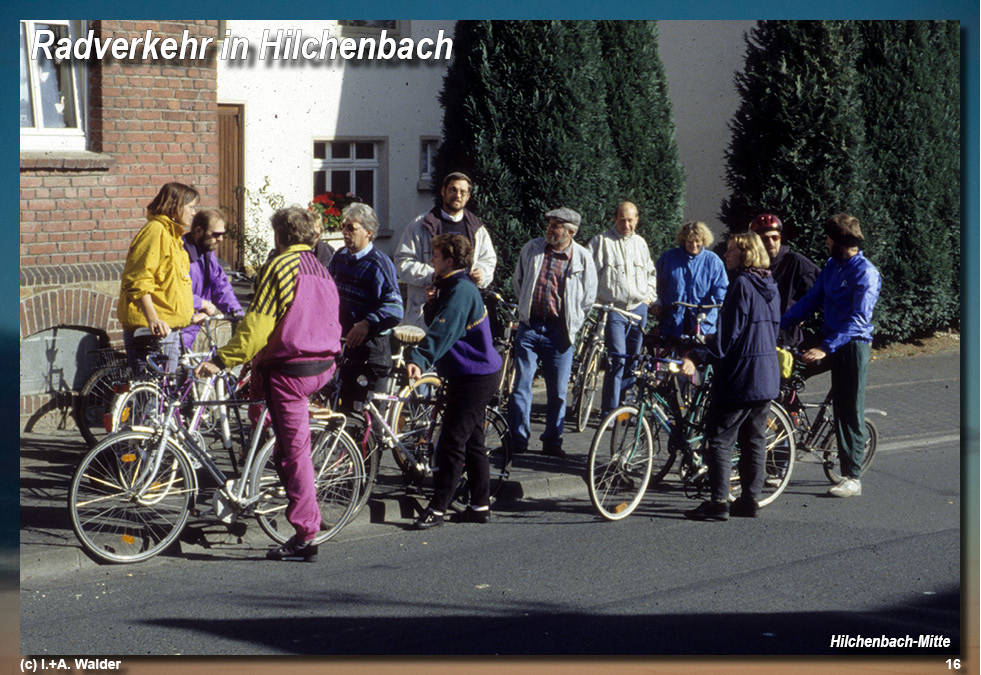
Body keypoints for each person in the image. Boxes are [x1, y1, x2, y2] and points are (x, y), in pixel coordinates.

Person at [195, 206, 342, 562]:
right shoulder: (321, 269)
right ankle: (265, 472)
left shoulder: (279, 266)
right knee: (266, 419)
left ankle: (307, 534)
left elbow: (257, 326)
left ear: (280, 236)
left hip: (292, 370)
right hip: (322, 364)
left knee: (294, 454)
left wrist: (219, 360)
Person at [681, 231, 781, 521]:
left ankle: (719, 503)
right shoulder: (770, 285)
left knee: (721, 439)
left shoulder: (741, 285)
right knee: (754, 440)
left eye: (731, 251)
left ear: (746, 254)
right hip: (766, 376)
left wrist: (696, 357)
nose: (726, 255)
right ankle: (750, 501)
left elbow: (727, 337)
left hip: (741, 377)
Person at [781, 213, 881, 498]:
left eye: (828, 238)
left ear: (841, 241)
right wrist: (779, 324)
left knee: (848, 407)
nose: (825, 241)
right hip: (828, 336)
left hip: (852, 344)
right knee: (786, 372)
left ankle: (852, 477)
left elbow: (859, 320)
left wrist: (824, 349)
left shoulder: (865, 273)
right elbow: (811, 300)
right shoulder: (831, 266)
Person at [406, 234, 502, 529]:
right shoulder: (452, 285)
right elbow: (444, 323)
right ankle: (479, 506)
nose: (431, 259)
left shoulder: (460, 290)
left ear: (449, 261)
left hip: (474, 376)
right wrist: (433, 304)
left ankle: (437, 509)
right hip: (470, 373)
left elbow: (442, 333)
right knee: (473, 441)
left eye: (435, 255)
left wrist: (419, 359)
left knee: (450, 443)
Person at [510, 207, 597, 458]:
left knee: (558, 392)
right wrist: (526, 311)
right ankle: (518, 440)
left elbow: (588, 297)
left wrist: (573, 324)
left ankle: (552, 441)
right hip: (530, 327)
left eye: (556, 225)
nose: (550, 229)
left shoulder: (582, 257)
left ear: (570, 231)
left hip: (560, 332)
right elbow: (519, 281)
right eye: (549, 224)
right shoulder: (532, 249)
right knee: (520, 387)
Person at [394, 172, 497, 328]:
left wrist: (481, 273)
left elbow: (488, 260)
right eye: (453, 190)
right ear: (443, 191)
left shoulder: (476, 228)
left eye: (463, 192)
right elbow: (402, 263)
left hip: (463, 310)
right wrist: (434, 275)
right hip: (427, 311)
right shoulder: (420, 225)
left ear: (468, 196)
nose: (457, 195)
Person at [327, 202, 404, 410]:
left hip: (372, 348)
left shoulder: (379, 263)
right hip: (345, 346)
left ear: (368, 232)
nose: (344, 232)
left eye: (351, 228)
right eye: (343, 226)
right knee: (341, 410)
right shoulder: (339, 257)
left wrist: (367, 324)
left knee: (369, 417)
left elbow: (395, 308)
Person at [117, 182, 198, 373]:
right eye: (191, 207)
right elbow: (138, 279)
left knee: (164, 395)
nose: (194, 213)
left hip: (168, 329)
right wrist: (152, 319)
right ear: (175, 206)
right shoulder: (155, 231)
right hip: (153, 331)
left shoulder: (172, 235)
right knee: (152, 397)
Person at [588, 201, 657, 414]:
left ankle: (624, 408)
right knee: (617, 358)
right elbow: (588, 275)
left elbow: (651, 274)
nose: (626, 224)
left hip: (638, 310)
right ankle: (609, 409)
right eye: (622, 220)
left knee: (632, 361)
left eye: (630, 220)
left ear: (637, 220)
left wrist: (648, 298)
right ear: (615, 219)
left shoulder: (641, 243)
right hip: (613, 310)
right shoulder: (601, 242)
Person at [748, 213, 819, 348]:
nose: (771, 243)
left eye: (775, 237)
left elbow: (821, 287)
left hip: (786, 337)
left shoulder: (795, 261)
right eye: (765, 239)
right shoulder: (751, 266)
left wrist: (802, 313)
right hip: (758, 336)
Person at [180, 207, 243, 352]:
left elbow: (220, 285)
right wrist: (202, 304)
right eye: (215, 234)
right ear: (198, 231)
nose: (220, 239)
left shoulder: (208, 254)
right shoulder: (181, 253)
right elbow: (176, 293)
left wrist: (237, 313)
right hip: (177, 327)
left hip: (192, 327)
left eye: (222, 234)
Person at [653, 220, 728, 340]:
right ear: (683, 241)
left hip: (703, 321)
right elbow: (656, 283)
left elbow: (721, 288)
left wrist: (721, 305)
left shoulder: (713, 261)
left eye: (697, 241)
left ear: (703, 241)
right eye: (689, 241)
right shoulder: (668, 258)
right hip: (673, 319)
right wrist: (657, 301)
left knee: (699, 355)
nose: (694, 245)